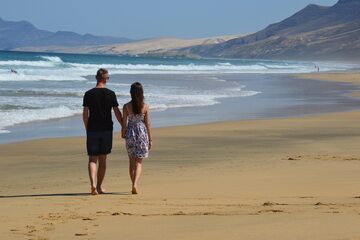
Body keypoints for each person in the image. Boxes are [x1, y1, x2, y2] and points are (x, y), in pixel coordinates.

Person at [83, 68, 122, 195]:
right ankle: (99, 186)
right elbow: (117, 112)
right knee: (103, 160)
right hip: (106, 129)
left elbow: (85, 114)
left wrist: (87, 128)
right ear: (105, 79)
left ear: (96, 78)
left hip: (93, 129)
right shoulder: (111, 94)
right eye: (108, 77)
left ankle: (93, 185)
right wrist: (123, 125)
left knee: (92, 159)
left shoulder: (88, 94)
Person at [122, 82, 152, 194]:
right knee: (139, 162)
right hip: (142, 134)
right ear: (141, 93)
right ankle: (135, 184)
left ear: (131, 93)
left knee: (131, 161)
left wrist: (123, 133)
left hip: (130, 133)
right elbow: (148, 124)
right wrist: (150, 139)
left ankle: (133, 184)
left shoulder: (126, 107)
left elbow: (124, 123)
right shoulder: (145, 106)